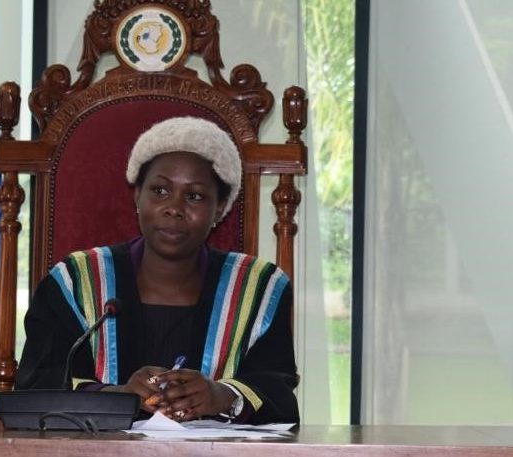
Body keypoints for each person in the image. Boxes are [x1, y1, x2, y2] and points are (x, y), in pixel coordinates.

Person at [16, 117, 300, 424]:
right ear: (137, 195)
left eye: (194, 196)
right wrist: (117, 395)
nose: (174, 208)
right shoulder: (74, 283)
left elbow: (280, 396)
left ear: (220, 208)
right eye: (160, 190)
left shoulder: (258, 289)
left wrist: (220, 396)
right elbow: (34, 386)